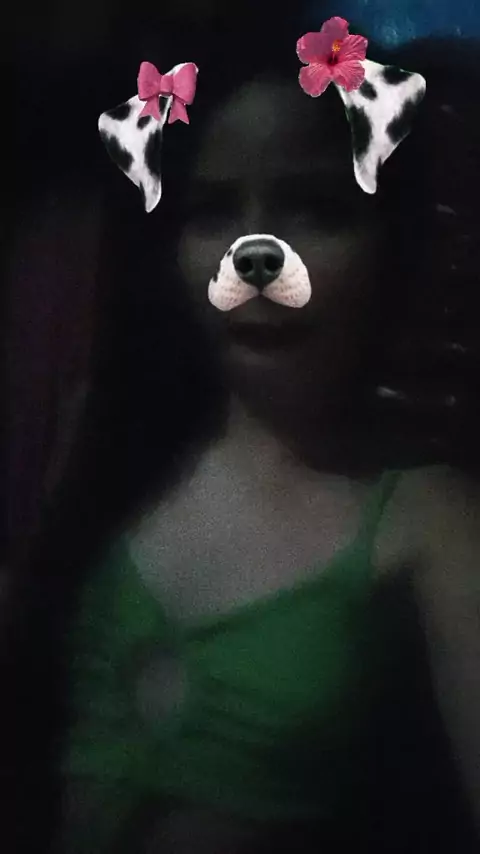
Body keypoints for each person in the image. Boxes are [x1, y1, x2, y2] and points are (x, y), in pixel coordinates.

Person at [54, 21, 480, 854]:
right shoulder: (117, 448)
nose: (257, 254)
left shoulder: (427, 517)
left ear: (389, 245)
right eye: (212, 210)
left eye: (315, 208)